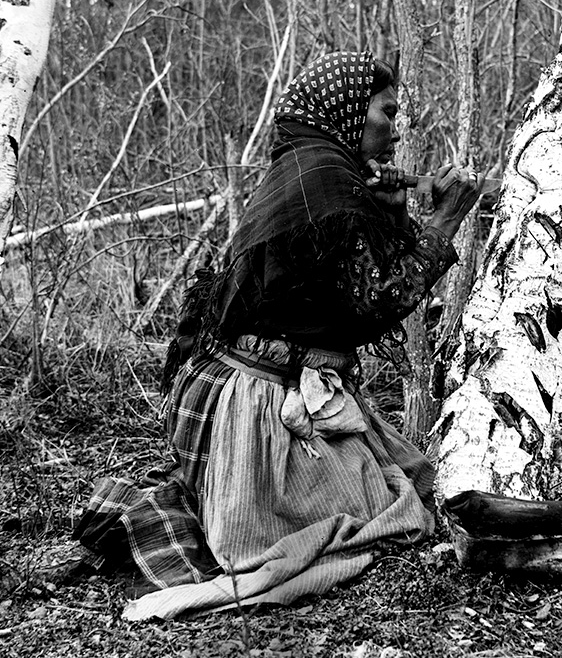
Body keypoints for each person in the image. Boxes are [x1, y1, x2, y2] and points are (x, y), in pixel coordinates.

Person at [71, 50, 484, 620]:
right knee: (386, 514)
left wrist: (390, 210)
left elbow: (345, 287)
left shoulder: (314, 173)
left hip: (260, 384)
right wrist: (443, 223)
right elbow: (374, 304)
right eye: (386, 112)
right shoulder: (326, 183)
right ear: (346, 112)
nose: (396, 128)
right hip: (258, 403)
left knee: (407, 488)